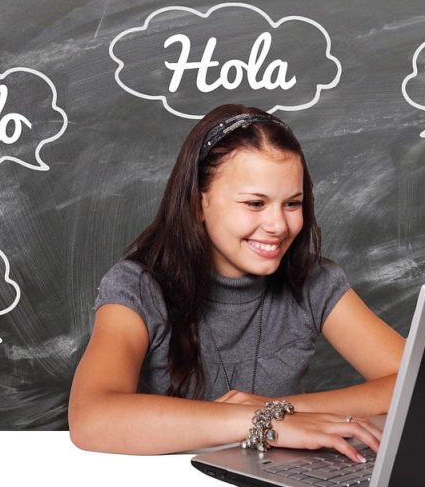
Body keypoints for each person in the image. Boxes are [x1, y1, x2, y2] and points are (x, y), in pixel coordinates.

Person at [69, 104, 405, 463]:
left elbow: (417, 380)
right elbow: (91, 416)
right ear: (198, 205)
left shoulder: (315, 281)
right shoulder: (136, 286)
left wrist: (281, 409)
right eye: (255, 203)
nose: (278, 225)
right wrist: (262, 421)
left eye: (292, 203)